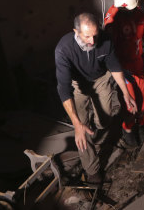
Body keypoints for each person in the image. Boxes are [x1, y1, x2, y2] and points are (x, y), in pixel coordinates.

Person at [55, 13, 137, 184]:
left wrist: (126, 93)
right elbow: (64, 89)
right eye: (87, 36)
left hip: (101, 79)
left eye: (95, 35)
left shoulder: (105, 39)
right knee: (82, 130)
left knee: (104, 121)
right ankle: (92, 170)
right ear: (76, 32)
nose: (92, 41)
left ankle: (98, 124)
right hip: (77, 86)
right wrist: (77, 124)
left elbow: (114, 67)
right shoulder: (63, 49)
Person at [104, 0, 144, 147]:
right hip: (122, 65)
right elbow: (108, 46)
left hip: (137, 62)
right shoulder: (113, 18)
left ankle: (141, 124)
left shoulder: (140, 15)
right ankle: (127, 130)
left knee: (142, 95)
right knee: (130, 99)